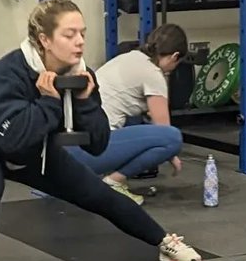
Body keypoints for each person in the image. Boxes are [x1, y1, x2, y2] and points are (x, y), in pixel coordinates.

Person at [0, 0, 201, 261]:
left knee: (97, 193)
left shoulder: (81, 74)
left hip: (33, 151)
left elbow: (98, 143)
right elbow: (13, 139)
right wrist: (50, 101)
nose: (80, 41)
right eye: (69, 35)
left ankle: (163, 242)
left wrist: (82, 101)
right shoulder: (10, 71)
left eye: (82, 33)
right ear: (44, 40)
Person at [67, 23, 189, 202]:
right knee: (173, 138)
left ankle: (104, 179)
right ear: (175, 56)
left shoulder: (130, 57)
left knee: (132, 119)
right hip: (88, 150)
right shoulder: (154, 75)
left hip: (69, 145)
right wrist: (173, 157)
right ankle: (113, 183)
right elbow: (164, 129)